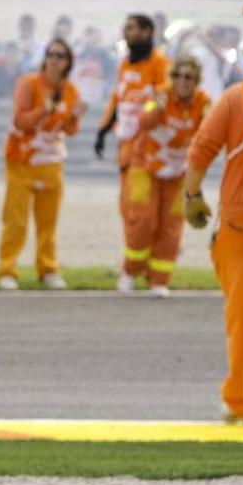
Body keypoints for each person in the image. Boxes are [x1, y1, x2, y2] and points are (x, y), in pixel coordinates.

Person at [183, 21, 243, 432]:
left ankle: (239, 399)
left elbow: (201, 150)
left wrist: (192, 196)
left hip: (238, 222)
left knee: (239, 314)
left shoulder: (237, 97)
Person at [0, 38, 85, 290]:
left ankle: (47, 268)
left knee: (48, 221)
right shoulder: (29, 84)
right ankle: (7, 269)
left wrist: (76, 117)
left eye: (60, 56)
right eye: (51, 55)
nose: (54, 60)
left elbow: (70, 128)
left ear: (68, 62)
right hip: (22, 160)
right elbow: (20, 120)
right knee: (16, 220)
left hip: (52, 161)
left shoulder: (71, 90)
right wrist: (43, 111)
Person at [118, 55, 210, 297]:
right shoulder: (157, 95)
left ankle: (159, 278)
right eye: (178, 76)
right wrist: (157, 108)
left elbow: (208, 131)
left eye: (188, 77)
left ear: (196, 80)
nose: (182, 81)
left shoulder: (203, 102)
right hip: (146, 166)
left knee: (171, 226)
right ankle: (130, 272)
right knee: (142, 221)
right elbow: (144, 120)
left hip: (179, 173)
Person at [95, 14, 171, 287]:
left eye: (131, 28)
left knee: (143, 214)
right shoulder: (125, 63)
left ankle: (140, 270)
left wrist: (150, 114)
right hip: (126, 149)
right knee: (129, 211)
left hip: (149, 151)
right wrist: (104, 128)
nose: (126, 32)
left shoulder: (160, 63)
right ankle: (137, 267)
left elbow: (164, 100)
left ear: (147, 31)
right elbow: (119, 97)